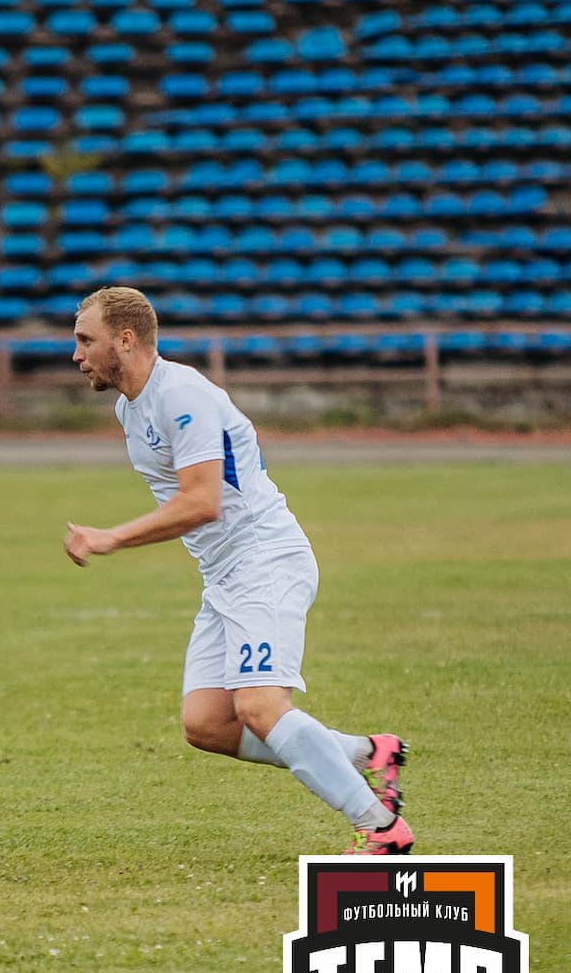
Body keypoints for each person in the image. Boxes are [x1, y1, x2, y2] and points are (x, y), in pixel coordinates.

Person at [62, 286, 413, 855]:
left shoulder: (183, 395)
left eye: (85, 340)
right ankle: (369, 754)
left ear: (125, 339)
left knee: (259, 706)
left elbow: (203, 503)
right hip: (225, 576)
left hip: (265, 560)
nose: (77, 355)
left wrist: (111, 537)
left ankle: (380, 827)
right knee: (208, 725)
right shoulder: (130, 407)